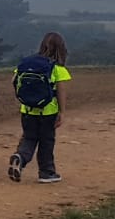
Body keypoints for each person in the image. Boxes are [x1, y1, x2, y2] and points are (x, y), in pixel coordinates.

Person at [8, 32, 72, 185]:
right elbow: (61, 92)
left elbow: (14, 81)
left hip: (27, 110)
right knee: (46, 141)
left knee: (29, 138)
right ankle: (46, 172)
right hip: (48, 112)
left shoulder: (27, 63)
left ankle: (20, 157)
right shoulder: (57, 68)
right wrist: (62, 112)